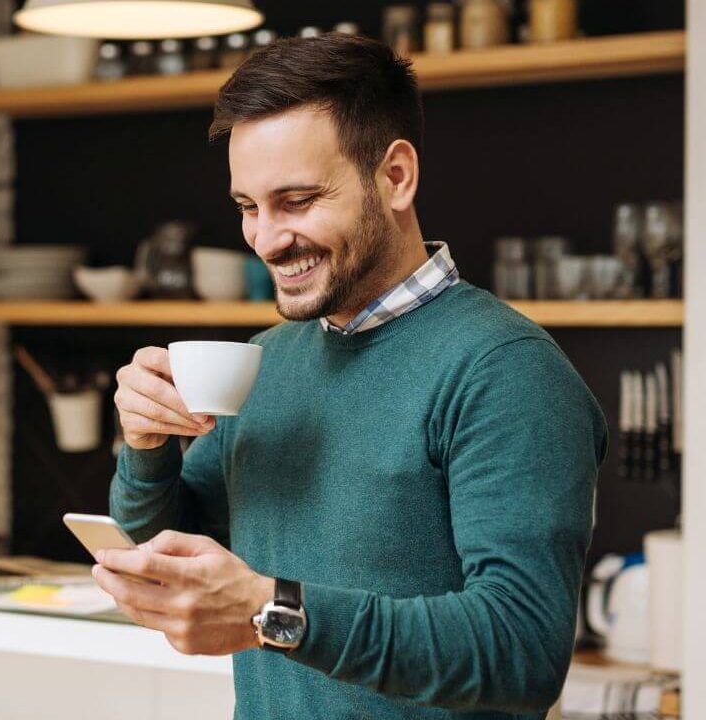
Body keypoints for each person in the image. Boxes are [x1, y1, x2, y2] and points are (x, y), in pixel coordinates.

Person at [94, 33, 608, 720]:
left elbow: (521, 651)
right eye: (248, 206)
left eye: (298, 200)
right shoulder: (269, 359)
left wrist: (274, 610)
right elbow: (164, 549)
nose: (268, 239)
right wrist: (145, 444)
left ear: (395, 176)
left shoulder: (506, 370)